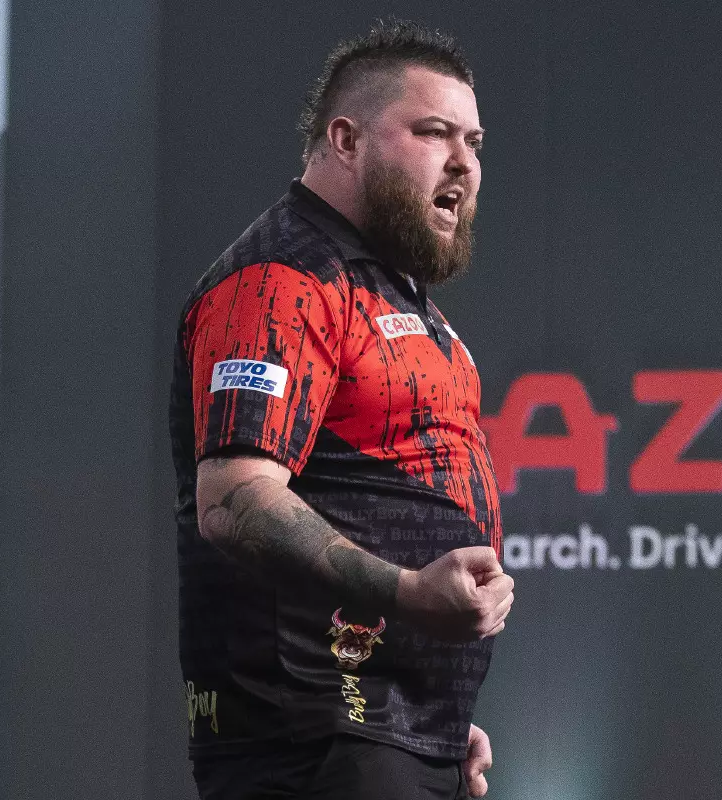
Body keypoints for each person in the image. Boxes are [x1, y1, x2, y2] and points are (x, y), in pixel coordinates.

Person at [168, 20, 513, 800]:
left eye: (476, 141)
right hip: (314, 736)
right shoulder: (280, 279)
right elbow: (235, 501)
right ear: (346, 139)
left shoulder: (395, 294)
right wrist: (410, 595)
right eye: (433, 132)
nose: (463, 161)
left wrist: (435, 709)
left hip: (389, 730)